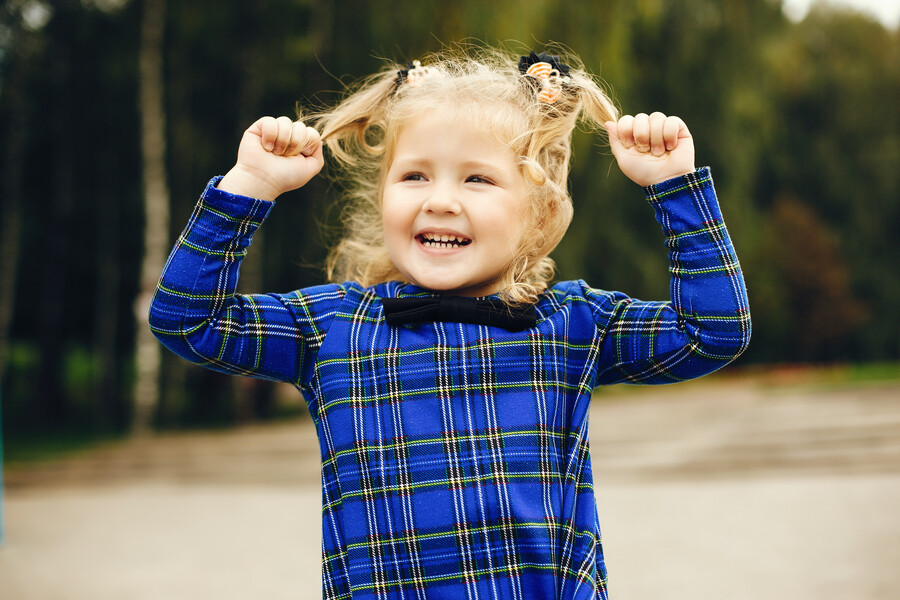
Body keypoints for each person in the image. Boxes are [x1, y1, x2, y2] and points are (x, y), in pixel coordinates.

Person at [149, 46, 750, 599]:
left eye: (477, 178)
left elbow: (712, 332)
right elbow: (187, 320)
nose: (438, 199)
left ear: (538, 210)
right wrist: (249, 187)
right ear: (383, 195)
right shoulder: (332, 329)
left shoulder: (573, 325)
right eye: (414, 175)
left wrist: (675, 189)